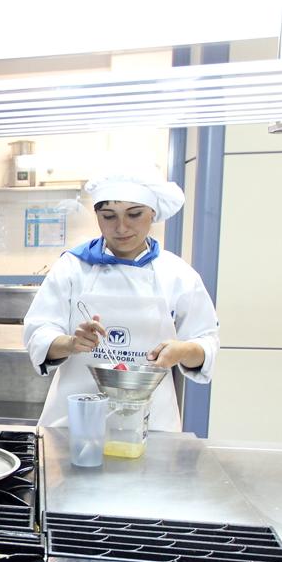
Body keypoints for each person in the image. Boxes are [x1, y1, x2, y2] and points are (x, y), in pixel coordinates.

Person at [23, 172, 220, 430]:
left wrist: (183, 351)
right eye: (109, 216)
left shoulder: (177, 274)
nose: (121, 227)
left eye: (134, 214)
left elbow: (206, 343)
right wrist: (71, 343)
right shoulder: (72, 267)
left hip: (151, 425)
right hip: (74, 424)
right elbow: (39, 334)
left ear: (153, 213)